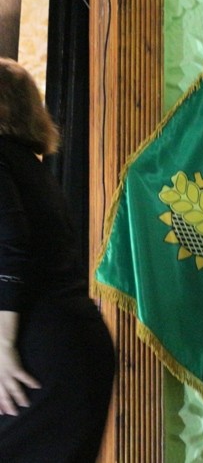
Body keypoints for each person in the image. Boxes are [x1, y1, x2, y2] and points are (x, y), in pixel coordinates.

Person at [0, 57, 116, 461]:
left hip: (37, 356)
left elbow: (10, 249)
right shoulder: (28, 168)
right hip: (76, 347)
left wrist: (2, 345)